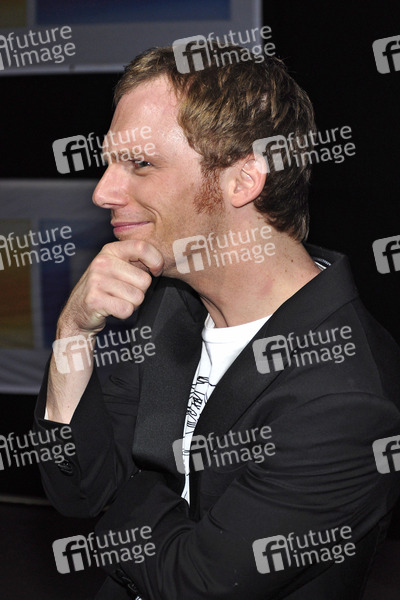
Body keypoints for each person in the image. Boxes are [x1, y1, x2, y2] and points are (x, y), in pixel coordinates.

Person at [35, 44, 400, 599]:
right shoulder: (164, 307)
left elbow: (198, 583)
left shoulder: (346, 396)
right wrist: (74, 334)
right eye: (109, 162)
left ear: (244, 179)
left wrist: (122, 491)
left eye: (141, 164)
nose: (103, 192)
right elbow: (76, 489)